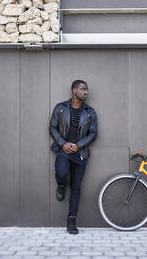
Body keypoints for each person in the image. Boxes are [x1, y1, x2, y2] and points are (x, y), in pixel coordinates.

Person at [49, 80, 98, 234]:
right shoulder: (60, 108)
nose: (86, 92)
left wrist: (79, 145)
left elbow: (93, 133)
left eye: (87, 90)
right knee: (62, 173)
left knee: (76, 186)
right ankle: (61, 185)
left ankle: (72, 220)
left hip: (80, 153)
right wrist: (63, 143)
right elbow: (52, 127)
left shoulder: (90, 112)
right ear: (74, 90)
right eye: (83, 89)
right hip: (63, 150)